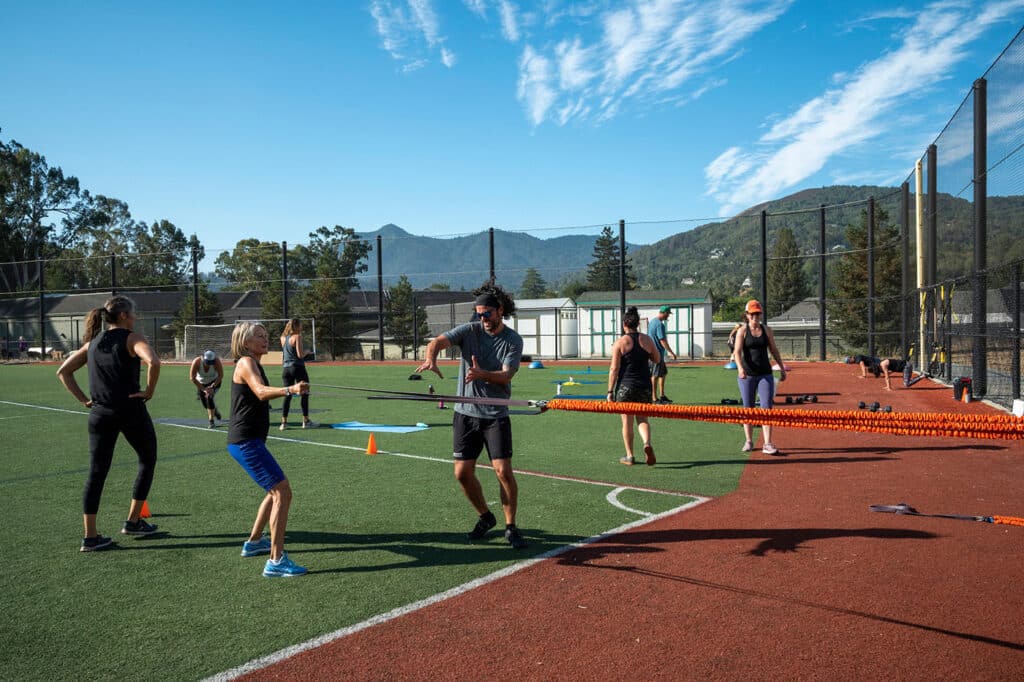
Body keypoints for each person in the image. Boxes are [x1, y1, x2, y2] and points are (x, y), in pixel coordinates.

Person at [416, 282, 528, 550]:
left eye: (487, 314)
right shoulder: (469, 331)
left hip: (495, 414)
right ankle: (485, 517)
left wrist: (482, 375)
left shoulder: (513, 340)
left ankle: (510, 527)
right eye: (479, 314)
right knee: (462, 473)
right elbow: (438, 341)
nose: (483, 319)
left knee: (502, 471)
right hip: (465, 414)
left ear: (500, 311)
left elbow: (506, 376)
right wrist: (432, 357)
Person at [55, 295, 161, 552]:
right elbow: (154, 361)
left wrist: (85, 401)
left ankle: (90, 537)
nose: (135, 318)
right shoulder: (132, 338)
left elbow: (63, 372)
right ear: (124, 316)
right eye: (133, 314)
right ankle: (133, 521)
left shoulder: (93, 343)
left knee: (97, 472)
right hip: (130, 410)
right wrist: (149, 391)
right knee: (147, 459)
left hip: (100, 414)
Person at [227, 321, 310, 577]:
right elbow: (261, 392)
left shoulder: (254, 362)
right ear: (245, 342)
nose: (265, 340)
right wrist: (291, 389)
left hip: (248, 441)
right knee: (282, 492)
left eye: (265, 335)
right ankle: (275, 561)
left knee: (273, 491)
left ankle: (253, 543)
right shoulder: (245, 362)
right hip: (245, 441)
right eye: (258, 337)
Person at [732, 299, 787, 455]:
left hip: (765, 374)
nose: (756, 317)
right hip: (747, 375)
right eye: (753, 314)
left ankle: (767, 443)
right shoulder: (742, 331)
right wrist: (740, 369)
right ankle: (748, 441)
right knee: (748, 408)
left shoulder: (767, 330)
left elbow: (774, 350)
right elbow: (737, 352)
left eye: (758, 314)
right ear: (747, 315)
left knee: (766, 408)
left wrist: (782, 368)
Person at [608, 306, 660, 466]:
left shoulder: (620, 342)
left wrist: (610, 391)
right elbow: (657, 359)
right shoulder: (647, 340)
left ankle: (630, 456)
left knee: (626, 421)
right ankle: (646, 443)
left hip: (626, 387)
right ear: (638, 324)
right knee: (642, 418)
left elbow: (614, 369)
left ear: (624, 324)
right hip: (644, 386)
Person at [279, 318, 315, 430]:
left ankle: (283, 422)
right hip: (298, 367)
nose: (302, 327)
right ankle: (306, 420)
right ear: (297, 326)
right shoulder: (297, 337)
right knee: (305, 392)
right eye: (301, 325)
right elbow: (300, 355)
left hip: (286, 369)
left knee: (287, 394)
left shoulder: (283, 338)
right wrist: (307, 352)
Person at [647, 305, 677, 404]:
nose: (668, 316)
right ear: (664, 313)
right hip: (656, 354)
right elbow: (662, 340)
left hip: (655, 353)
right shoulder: (659, 324)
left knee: (663, 373)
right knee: (655, 375)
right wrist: (671, 352)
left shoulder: (652, 322)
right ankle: (654, 398)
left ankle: (662, 395)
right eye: (668, 314)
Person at [190, 349, 224, 428]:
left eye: (210, 362)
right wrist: (203, 389)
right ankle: (214, 411)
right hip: (201, 384)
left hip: (214, 382)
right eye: (207, 362)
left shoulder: (216, 361)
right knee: (205, 405)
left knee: (209, 397)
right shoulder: (197, 362)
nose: (209, 365)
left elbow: (220, 376)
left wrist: (212, 387)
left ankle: (211, 422)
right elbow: (192, 378)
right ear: (202, 358)